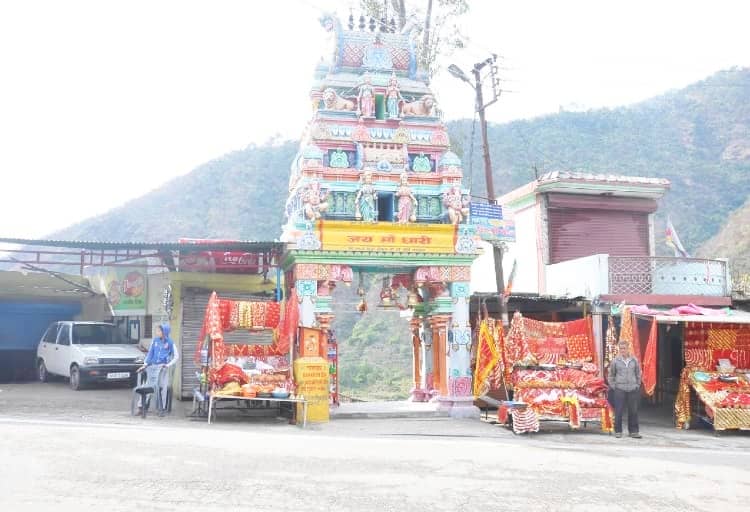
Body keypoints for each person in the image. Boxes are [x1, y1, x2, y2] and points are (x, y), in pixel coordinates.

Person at [141, 323, 179, 416]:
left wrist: (168, 365)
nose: (157, 332)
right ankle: (141, 407)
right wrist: (145, 364)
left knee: (163, 388)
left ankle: (162, 408)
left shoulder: (170, 342)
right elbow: (150, 353)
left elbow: (176, 356)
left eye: (159, 331)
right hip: (153, 367)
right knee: (147, 386)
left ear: (164, 332)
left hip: (162, 368)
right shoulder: (155, 341)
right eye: (157, 330)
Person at [608, 341, 642, 438]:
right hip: (620, 389)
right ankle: (618, 431)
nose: (622, 350)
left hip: (632, 388)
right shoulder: (615, 361)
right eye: (621, 348)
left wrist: (637, 384)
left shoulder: (634, 360)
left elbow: (638, 373)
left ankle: (634, 431)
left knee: (633, 411)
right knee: (618, 411)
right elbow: (611, 375)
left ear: (628, 349)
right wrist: (614, 386)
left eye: (624, 348)